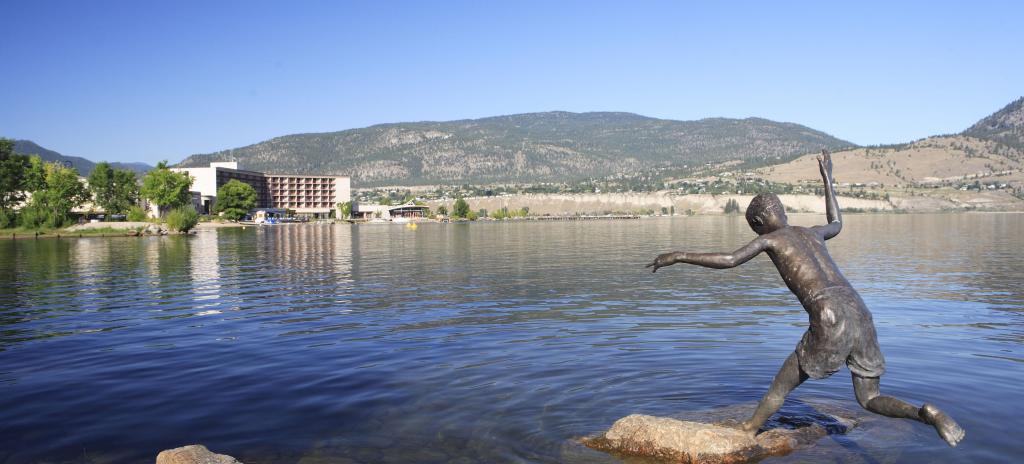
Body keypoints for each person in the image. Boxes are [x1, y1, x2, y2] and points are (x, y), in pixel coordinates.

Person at [646, 150, 964, 447]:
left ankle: (748, 429)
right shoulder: (812, 232)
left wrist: (679, 255)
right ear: (782, 212)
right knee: (869, 398)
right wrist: (828, 178)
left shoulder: (769, 240)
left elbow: (729, 259)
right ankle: (924, 413)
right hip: (859, 310)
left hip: (829, 313)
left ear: (757, 224)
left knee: (780, 386)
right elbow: (837, 222)